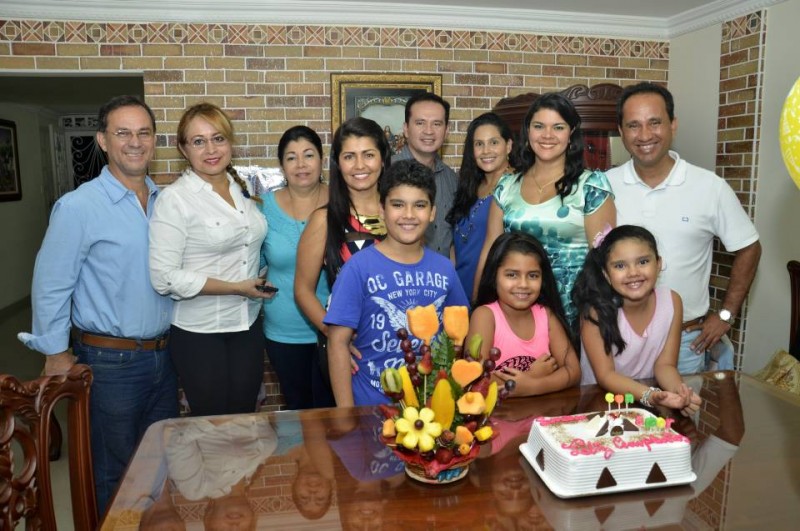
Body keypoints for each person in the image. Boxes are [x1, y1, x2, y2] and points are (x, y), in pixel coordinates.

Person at [18, 95, 178, 515]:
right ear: (103, 141)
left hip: (165, 356)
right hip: (110, 363)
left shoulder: (167, 204)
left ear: (154, 140)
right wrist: (54, 352)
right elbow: (51, 284)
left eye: (144, 133)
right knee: (114, 473)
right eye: (122, 133)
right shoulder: (79, 207)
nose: (135, 142)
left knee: (158, 465)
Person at [607, 82, 761, 374]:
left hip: (686, 344)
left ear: (673, 125)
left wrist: (727, 314)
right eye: (633, 125)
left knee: (681, 420)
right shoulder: (604, 187)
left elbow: (749, 247)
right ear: (621, 131)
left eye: (655, 123)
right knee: (615, 419)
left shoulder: (709, 187)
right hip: (618, 341)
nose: (645, 135)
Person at [149, 102, 273, 417]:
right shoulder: (175, 199)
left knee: (244, 419)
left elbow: (246, 248)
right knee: (212, 427)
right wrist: (236, 287)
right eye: (198, 141)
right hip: (199, 334)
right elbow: (164, 277)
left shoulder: (242, 192)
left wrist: (258, 279)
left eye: (218, 138)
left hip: (246, 326)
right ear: (183, 148)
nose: (210, 149)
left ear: (230, 142)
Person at [323, 159, 470, 406]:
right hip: (370, 405)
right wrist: (346, 415)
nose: (409, 215)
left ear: (433, 212)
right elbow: (337, 343)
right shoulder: (358, 268)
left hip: (430, 407)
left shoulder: (444, 268)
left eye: (420, 205)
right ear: (382, 210)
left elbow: (459, 337)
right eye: (398, 205)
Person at [474, 92, 616, 333]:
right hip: (515, 311)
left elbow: (604, 260)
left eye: (558, 127)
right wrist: (477, 306)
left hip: (575, 313)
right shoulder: (506, 187)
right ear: (527, 132)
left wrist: (598, 320)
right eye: (539, 126)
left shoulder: (591, 186)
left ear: (571, 134)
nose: (547, 135)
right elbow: (490, 251)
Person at [294, 117, 391, 381]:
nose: (360, 165)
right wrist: (335, 338)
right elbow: (303, 290)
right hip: (351, 352)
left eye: (368, 155)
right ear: (338, 164)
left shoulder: (400, 214)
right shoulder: (324, 220)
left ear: (383, 159)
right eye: (349, 156)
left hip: (400, 346)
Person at [573, 225, 701, 417]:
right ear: (607, 275)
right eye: (620, 266)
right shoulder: (595, 311)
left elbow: (665, 365)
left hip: (646, 408)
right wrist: (651, 394)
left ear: (658, 263)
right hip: (600, 406)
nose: (633, 272)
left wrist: (678, 393)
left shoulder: (672, 301)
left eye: (642, 261)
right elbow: (606, 375)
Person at [260, 126, 331, 409]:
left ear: (322, 160)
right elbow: (254, 265)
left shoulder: (343, 202)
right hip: (283, 331)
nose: (301, 165)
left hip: (336, 328)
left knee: (334, 414)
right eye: (291, 158)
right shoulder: (263, 208)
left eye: (309, 155)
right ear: (282, 166)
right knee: (298, 410)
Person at [469, 232, 580, 397]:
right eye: (512, 275)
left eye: (533, 275)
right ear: (494, 276)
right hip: (496, 419)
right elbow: (475, 379)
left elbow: (574, 371)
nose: (523, 284)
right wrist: (531, 375)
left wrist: (534, 386)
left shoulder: (546, 315)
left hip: (541, 418)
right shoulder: (485, 316)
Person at [446, 112, 514, 299]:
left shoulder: (516, 187)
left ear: (508, 146)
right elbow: (457, 243)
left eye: (494, 142)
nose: (486, 151)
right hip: (459, 286)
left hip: (491, 291)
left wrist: (478, 297)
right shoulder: (471, 185)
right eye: (479, 144)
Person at [393, 92, 458, 257]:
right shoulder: (385, 172)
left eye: (437, 123)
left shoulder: (452, 180)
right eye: (420, 123)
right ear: (406, 129)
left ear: (447, 130)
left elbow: (451, 240)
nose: (429, 131)